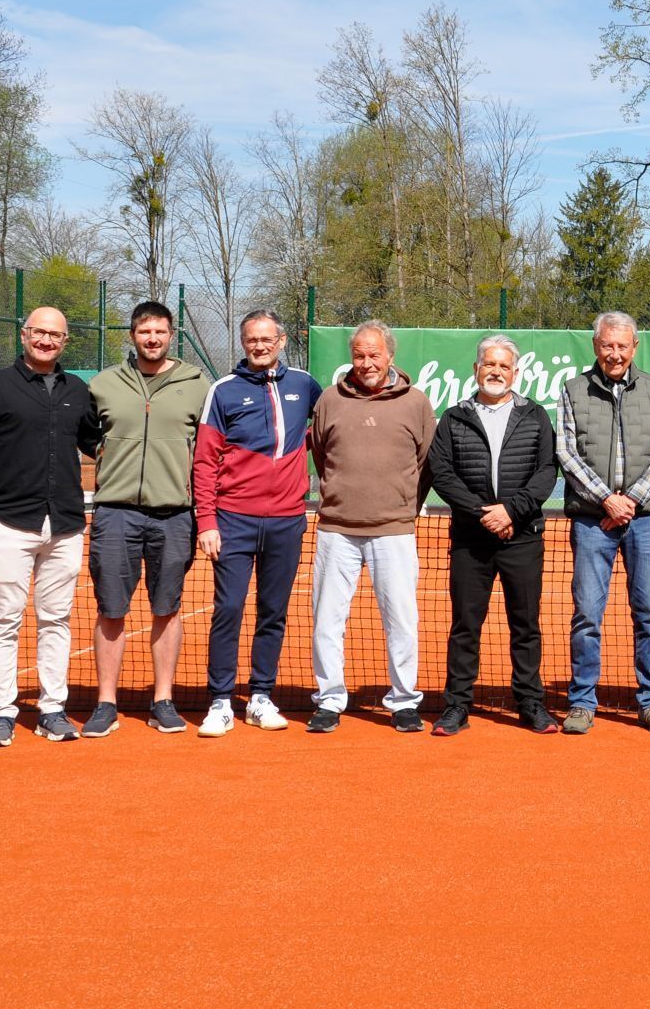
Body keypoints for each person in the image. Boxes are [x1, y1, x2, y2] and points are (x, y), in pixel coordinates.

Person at [0, 306, 102, 746]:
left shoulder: (79, 390)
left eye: (55, 335)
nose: (46, 340)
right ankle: (0, 712)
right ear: (24, 335)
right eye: (39, 332)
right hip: (7, 524)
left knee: (56, 620)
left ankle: (52, 709)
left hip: (66, 526)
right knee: (5, 621)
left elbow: (97, 445)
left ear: (65, 341)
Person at [80, 300, 208, 737]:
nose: (152, 339)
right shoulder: (103, 384)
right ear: (132, 335)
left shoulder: (197, 384)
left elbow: (209, 447)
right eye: (143, 332)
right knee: (111, 610)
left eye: (160, 332)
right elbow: (84, 432)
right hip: (115, 513)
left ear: (171, 335)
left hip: (175, 515)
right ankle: (105, 704)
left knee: (167, 609)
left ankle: (163, 699)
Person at [192, 310, 322, 737]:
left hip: (287, 521)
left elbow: (332, 427)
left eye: (268, 339)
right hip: (233, 520)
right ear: (243, 343)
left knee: (273, 611)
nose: (260, 346)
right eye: (252, 340)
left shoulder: (304, 384)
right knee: (228, 608)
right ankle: (221, 701)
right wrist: (207, 520)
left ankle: (261, 696)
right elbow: (205, 460)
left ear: (282, 341)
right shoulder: (223, 391)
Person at [304, 320, 436, 734]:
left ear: (389, 356)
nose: (366, 363)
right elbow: (321, 455)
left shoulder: (415, 402)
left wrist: (401, 506)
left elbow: (427, 462)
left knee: (401, 619)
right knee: (327, 618)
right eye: (359, 354)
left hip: (394, 530)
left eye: (374, 354)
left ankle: (403, 700)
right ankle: (329, 699)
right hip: (335, 530)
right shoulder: (329, 400)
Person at [427, 334, 561, 736]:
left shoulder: (535, 416)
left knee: (526, 625)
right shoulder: (454, 417)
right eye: (489, 364)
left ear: (516, 372)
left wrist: (510, 511)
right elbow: (442, 472)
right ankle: (457, 706)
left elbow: (546, 472)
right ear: (476, 369)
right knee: (465, 625)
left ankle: (531, 703)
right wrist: (481, 513)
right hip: (471, 537)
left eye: (504, 366)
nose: (496, 372)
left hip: (522, 536)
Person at [556, 310, 650, 735]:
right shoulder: (573, 390)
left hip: (644, 521)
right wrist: (607, 500)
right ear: (595, 346)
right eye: (607, 345)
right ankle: (583, 702)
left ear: (634, 347)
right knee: (587, 614)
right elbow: (567, 453)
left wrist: (631, 500)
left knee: (649, 614)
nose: (615, 353)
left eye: (622, 346)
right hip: (592, 521)